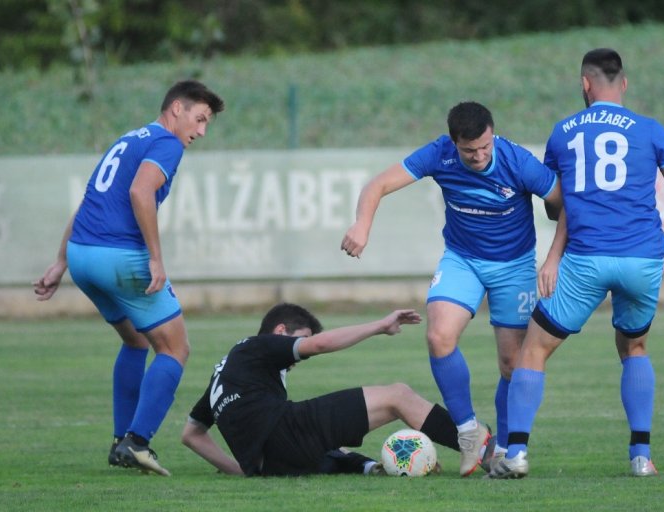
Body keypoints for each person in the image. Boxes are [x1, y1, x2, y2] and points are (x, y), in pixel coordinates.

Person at [488, 48, 664, 479]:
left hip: (586, 260)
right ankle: (641, 457)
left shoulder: (564, 131)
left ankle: (516, 454)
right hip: (642, 259)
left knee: (533, 350)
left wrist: (555, 252)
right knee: (634, 347)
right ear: (622, 84)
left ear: (585, 84)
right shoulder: (650, 129)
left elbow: (555, 205)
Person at [341, 101, 562, 476]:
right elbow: (377, 185)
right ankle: (468, 433)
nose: (478, 156)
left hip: (515, 266)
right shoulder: (438, 155)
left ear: (493, 135)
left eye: (484, 147)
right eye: (468, 150)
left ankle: (505, 450)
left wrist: (554, 257)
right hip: (462, 260)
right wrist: (362, 225)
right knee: (438, 336)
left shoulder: (518, 162)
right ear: (453, 142)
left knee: (511, 363)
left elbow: (562, 204)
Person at [32, 80, 225, 476]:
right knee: (175, 349)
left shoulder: (131, 137)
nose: (201, 131)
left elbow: (91, 200)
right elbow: (141, 193)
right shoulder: (167, 144)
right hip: (119, 257)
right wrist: (156, 258)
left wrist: (60, 262)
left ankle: (121, 441)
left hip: (82, 254)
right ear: (176, 108)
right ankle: (137, 442)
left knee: (136, 340)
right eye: (199, 119)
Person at [181, 303, 461, 477]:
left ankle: (368, 467)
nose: (301, 353)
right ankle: (480, 447)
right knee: (398, 395)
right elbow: (319, 345)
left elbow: (191, 434)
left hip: (271, 466)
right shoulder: (254, 345)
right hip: (284, 434)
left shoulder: (223, 375)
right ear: (280, 332)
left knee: (324, 440)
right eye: (300, 339)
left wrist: (239, 468)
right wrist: (380, 325)